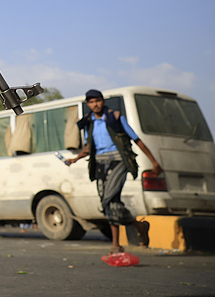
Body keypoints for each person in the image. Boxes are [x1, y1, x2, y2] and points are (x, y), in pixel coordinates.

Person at [65, 89, 162, 254]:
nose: (95, 104)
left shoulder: (115, 117)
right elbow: (89, 147)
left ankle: (116, 244)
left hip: (118, 161)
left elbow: (136, 140)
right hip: (100, 163)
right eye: (91, 102)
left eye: (98, 101)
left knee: (108, 199)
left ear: (103, 101)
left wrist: (154, 162)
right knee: (112, 203)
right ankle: (139, 226)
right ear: (88, 104)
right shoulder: (89, 122)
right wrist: (75, 159)